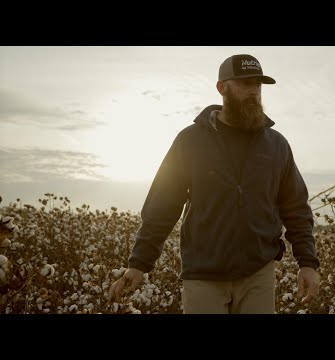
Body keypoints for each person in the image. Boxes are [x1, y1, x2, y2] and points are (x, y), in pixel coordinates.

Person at [108, 54, 320, 313]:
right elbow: (162, 205)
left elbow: (295, 206)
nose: (253, 91)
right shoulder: (190, 141)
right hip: (203, 276)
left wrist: (307, 263)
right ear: (222, 88)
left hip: (258, 273)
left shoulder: (277, 145)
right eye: (245, 83)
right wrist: (139, 263)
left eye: (258, 84)